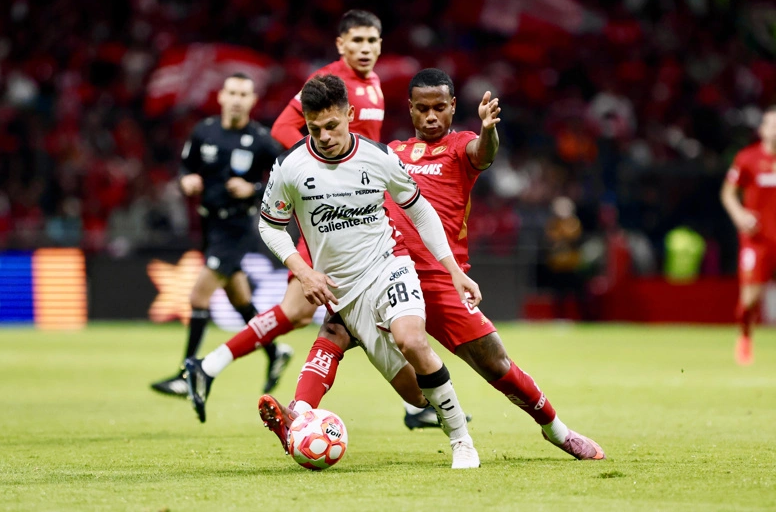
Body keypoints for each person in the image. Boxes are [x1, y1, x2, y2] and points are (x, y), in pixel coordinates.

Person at [242, 68, 603, 462]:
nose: (431, 117)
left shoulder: (461, 145)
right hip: (380, 269)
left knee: (494, 362)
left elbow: (484, 154)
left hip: (438, 277)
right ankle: (300, 417)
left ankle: (557, 431)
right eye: (422, 109)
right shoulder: (390, 152)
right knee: (343, 336)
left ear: (451, 109)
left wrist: (488, 131)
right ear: (410, 110)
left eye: (439, 109)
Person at [183, 10, 442, 428]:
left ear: (380, 45)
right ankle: (212, 366)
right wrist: (320, 169)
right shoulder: (325, 87)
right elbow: (284, 129)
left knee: (317, 317)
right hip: (329, 211)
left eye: (371, 41)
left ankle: (213, 367)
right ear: (340, 44)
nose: (364, 49)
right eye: (355, 41)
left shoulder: (373, 86)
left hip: (364, 212)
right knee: (313, 313)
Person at [224, 74, 480, 468]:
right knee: (415, 395)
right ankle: (298, 419)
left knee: (412, 339)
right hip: (341, 288)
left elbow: (420, 211)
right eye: (314, 128)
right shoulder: (290, 167)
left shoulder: (377, 157)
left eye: (332, 126)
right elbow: (269, 226)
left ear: (350, 115)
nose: (324, 136)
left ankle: (462, 441)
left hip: (387, 266)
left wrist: (453, 271)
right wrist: (303, 271)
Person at [150, 73, 293, 397]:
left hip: (237, 227)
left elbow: (286, 175)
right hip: (210, 225)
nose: (238, 98)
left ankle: (186, 375)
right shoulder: (205, 131)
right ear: (221, 97)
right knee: (240, 299)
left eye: (244, 93)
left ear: (253, 100)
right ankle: (275, 352)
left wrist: (253, 188)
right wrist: (187, 181)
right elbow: (187, 167)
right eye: (232, 92)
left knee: (199, 298)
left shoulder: (260, 139)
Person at [721, 106, 776, 366]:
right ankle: (744, 335)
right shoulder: (747, 158)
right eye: (772, 124)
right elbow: (728, 193)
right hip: (758, 239)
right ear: (763, 129)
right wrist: (739, 215)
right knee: (750, 298)